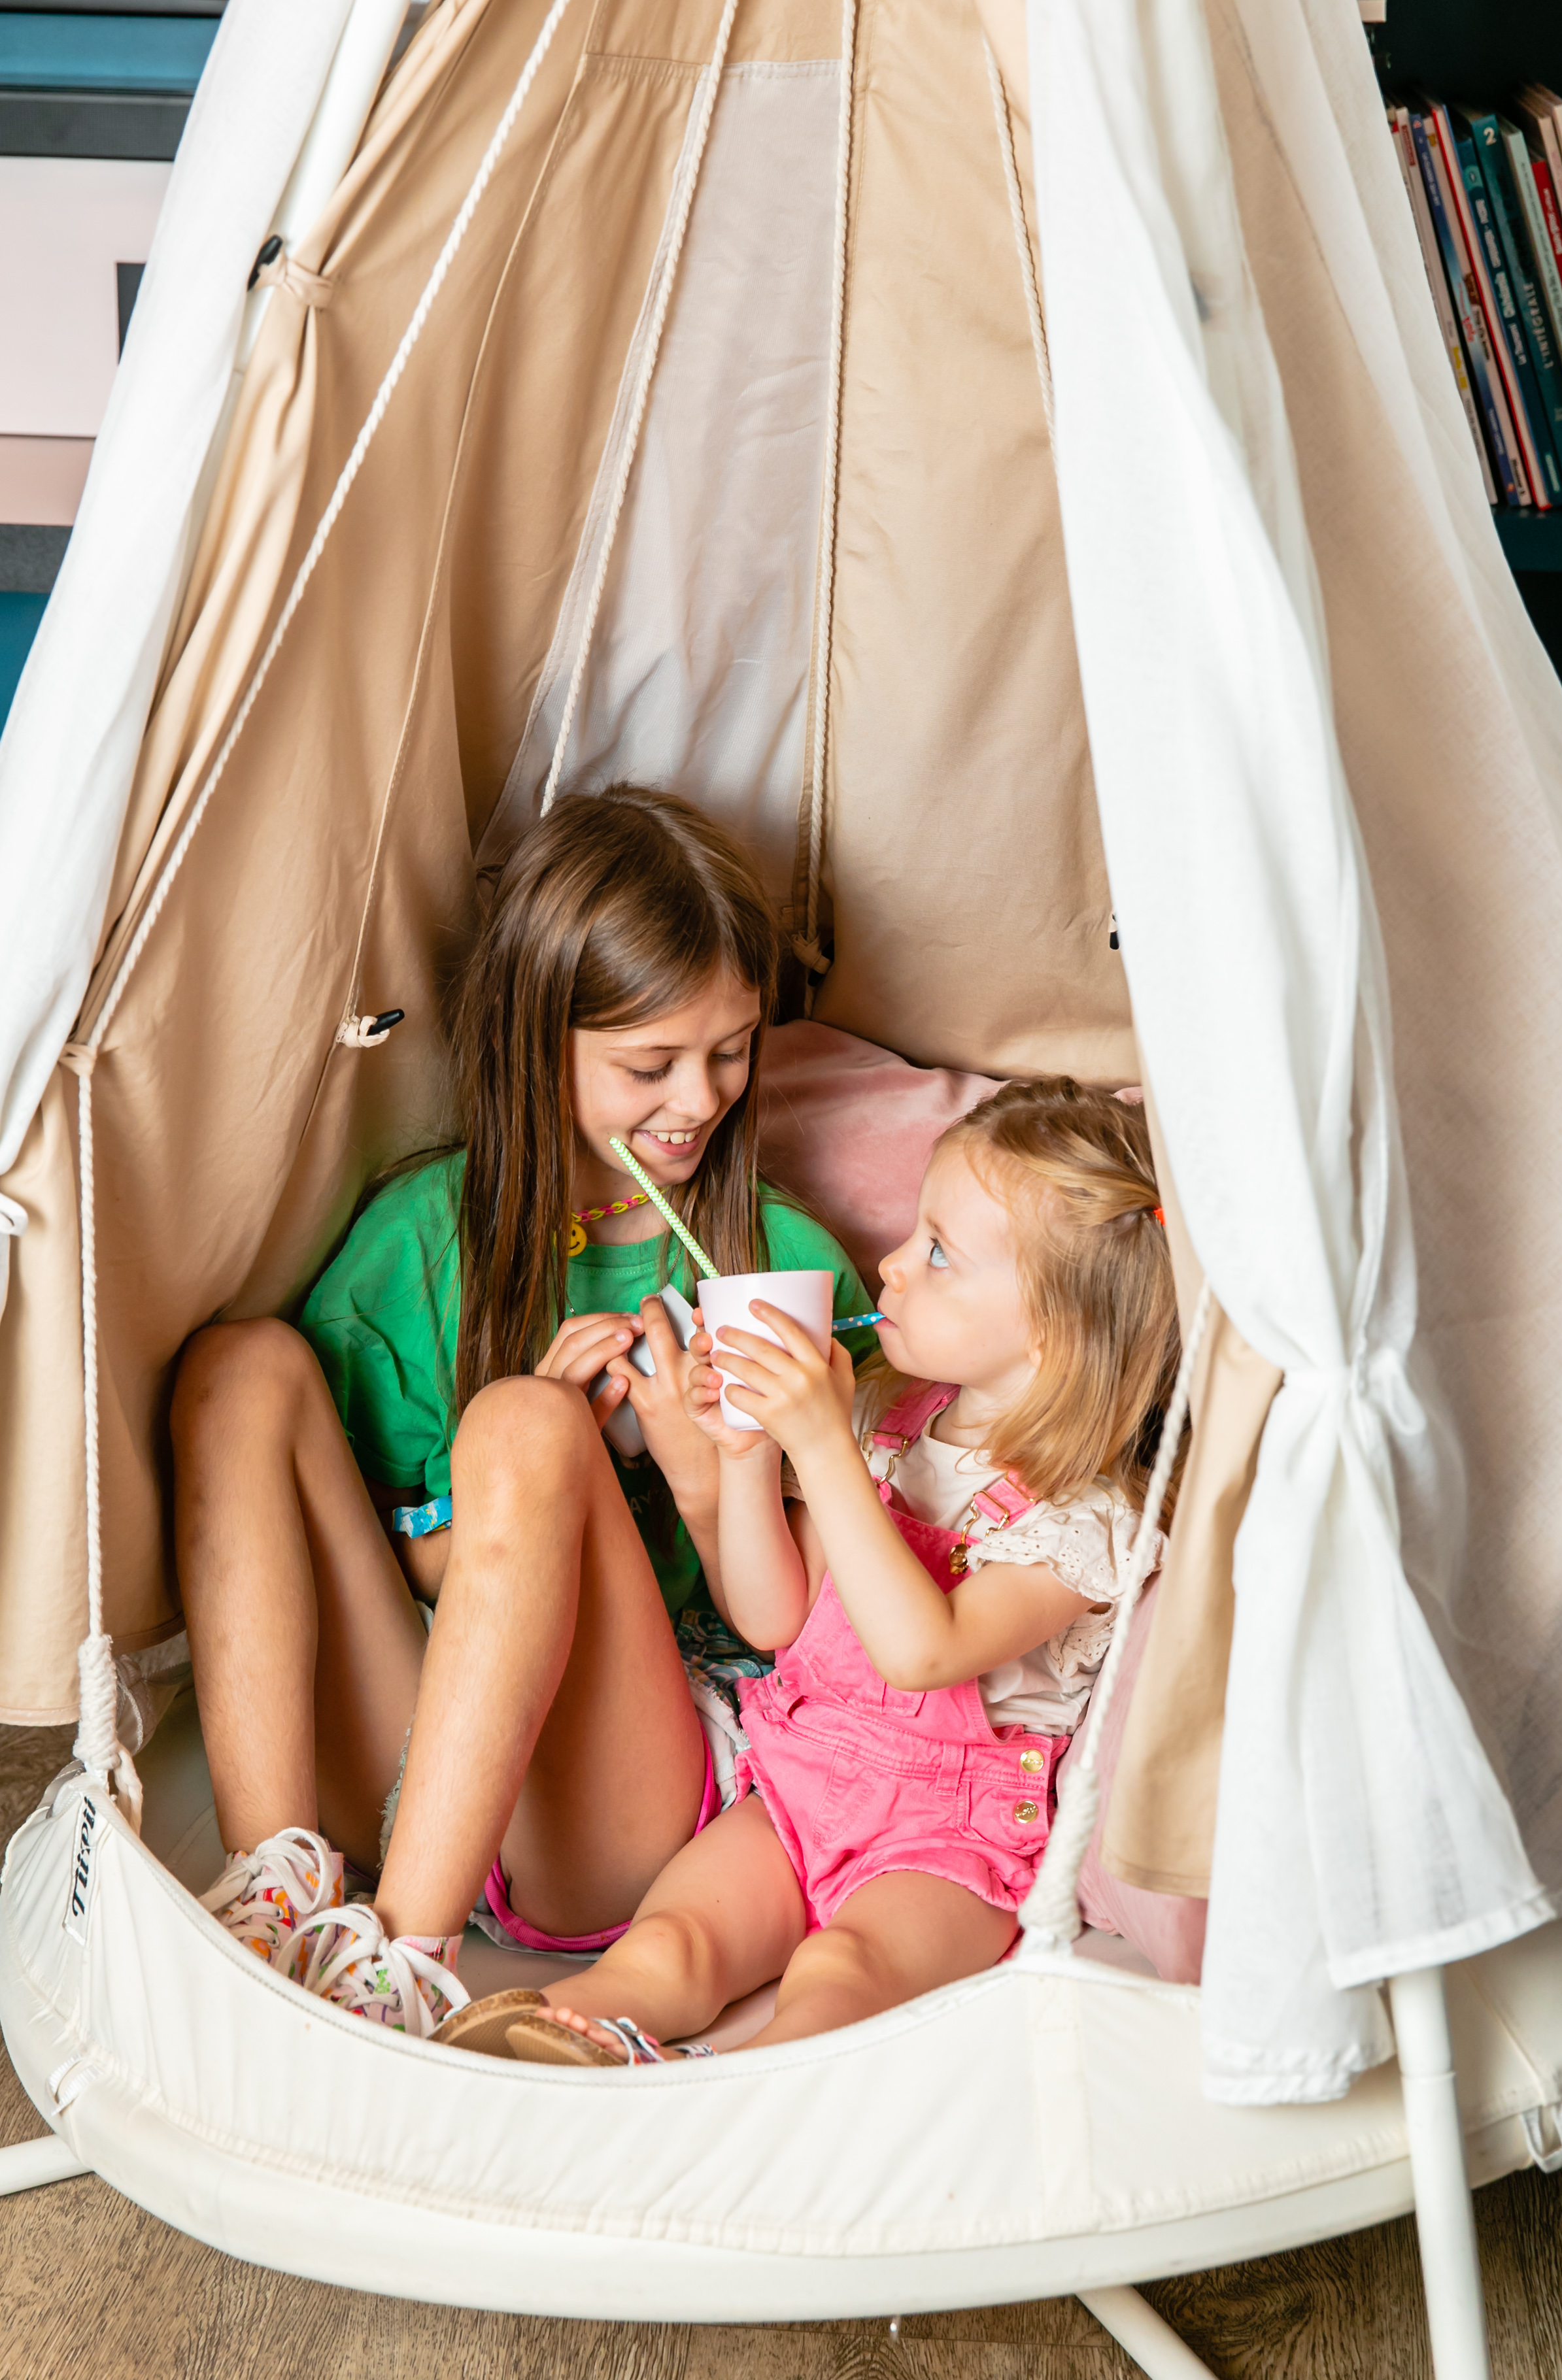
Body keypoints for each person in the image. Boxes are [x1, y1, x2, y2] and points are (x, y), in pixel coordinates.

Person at [172, 785, 873, 2032]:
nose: (699, 1100)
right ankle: (276, 1887)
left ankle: (401, 1964)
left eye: (731, 1051)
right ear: (535, 1039)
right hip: (414, 1761)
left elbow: (823, 1630)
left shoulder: (778, 1266)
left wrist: (694, 1470)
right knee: (240, 1371)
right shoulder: (419, 1240)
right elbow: (392, 1559)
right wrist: (530, 1487)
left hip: (608, 1812)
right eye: (649, 1065)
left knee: (526, 1427)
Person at [435, 1078, 1180, 2066]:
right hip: (797, 1779)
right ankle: (548, 2042)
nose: (891, 1264)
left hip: (947, 1841)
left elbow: (924, 1652)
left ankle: (743, 2097)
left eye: (938, 1253)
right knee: (671, 1940)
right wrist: (747, 1452)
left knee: (842, 1971)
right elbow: (775, 1618)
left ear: (1055, 1325)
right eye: (914, 1234)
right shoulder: (883, 1417)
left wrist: (823, 1449)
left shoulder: (1089, 1513)